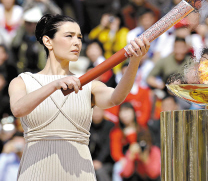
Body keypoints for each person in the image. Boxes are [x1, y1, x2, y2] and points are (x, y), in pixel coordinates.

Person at [8, 14, 150, 180]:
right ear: (48, 41)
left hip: (79, 172)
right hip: (36, 171)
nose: (77, 42)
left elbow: (115, 98)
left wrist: (134, 62)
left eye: (79, 37)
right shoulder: (23, 81)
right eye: (69, 36)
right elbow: (18, 109)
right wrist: (54, 84)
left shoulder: (87, 83)